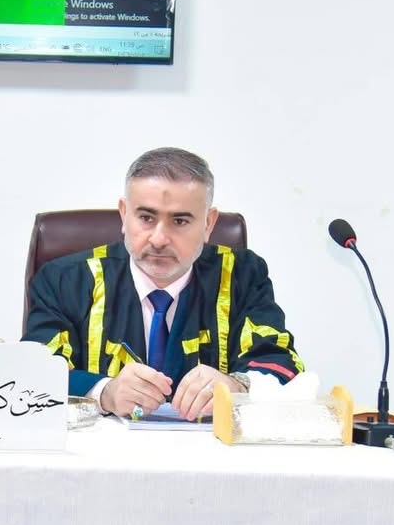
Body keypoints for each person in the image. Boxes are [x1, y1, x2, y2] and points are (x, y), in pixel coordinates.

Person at [22, 147, 303, 421]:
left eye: (179, 221)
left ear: (208, 224)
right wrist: (104, 392)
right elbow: (31, 374)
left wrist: (238, 386)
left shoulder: (242, 275)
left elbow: (282, 363)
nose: (158, 239)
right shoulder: (66, 279)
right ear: (124, 214)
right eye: (146, 218)